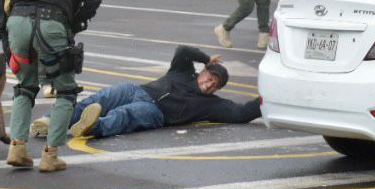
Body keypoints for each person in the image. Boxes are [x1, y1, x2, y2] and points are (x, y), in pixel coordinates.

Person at [0, 0, 102, 172]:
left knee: (25, 86)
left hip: (18, 23)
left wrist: (6, 28)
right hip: (52, 23)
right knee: (66, 90)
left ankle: (17, 149)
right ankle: (50, 156)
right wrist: (74, 22)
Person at [34, 46, 259, 140]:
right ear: (204, 71)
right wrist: (205, 58)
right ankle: (54, 121)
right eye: (210, 78)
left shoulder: (211, 104)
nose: (210, 85)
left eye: (215, 85)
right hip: (139, 90)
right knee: (103, 97)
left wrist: (267, 101)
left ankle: (93, 125)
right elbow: (182, 50)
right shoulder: (183, 71)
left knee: (125, 115)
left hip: (156, 111)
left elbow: (240, 113)